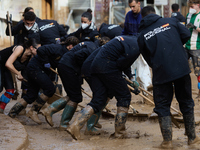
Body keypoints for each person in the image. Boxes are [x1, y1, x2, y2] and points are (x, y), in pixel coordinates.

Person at [137, 6, 200, 148]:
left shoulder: (142, 35)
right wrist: (175, 47)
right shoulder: (171, 21)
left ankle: (167, 142)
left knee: (162, 105)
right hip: (181, 68)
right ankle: (192, 138)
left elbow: (147, 59)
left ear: (143, 17)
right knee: (186, 102)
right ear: (155, 13)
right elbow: (186, 34)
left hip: (161, 73)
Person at [66, 35, 140, 140]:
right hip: (106, 66)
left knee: (99, 100)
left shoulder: (127, 40)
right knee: (124, 96)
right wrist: (124, 81)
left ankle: (75, 126)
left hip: (95, 66)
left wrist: (131, 78)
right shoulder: (137, 46)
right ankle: (120, 133)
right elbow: (121, 64)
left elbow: (124, 62)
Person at [8, 36, 79, 123]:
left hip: (39, 70)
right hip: (35, 68)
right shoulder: (57, 48)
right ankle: (33, 111)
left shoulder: (66, 54)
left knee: (31, 95)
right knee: (50, 89)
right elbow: (41, 50)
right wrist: (46, 62)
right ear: (70, 46)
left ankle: (12, 113)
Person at [0, 38, 40, 113]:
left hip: (5, 69)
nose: (39, 51)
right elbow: (8, 64)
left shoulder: (31, 58)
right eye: (38, 49)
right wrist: (18, 74)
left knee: (10, 91)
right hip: (1, 63)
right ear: (31, 47)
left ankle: (0, 108)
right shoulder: (20, 49)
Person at [185, 0, 200, 99]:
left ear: (198, 5)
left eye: (192, 6)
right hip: (186, 46)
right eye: (189, 6)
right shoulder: (188, 15)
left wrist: (194, 27)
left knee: (198, 71)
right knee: (182, 69)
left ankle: (199, 92)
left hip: (197, 47)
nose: (191, 8)